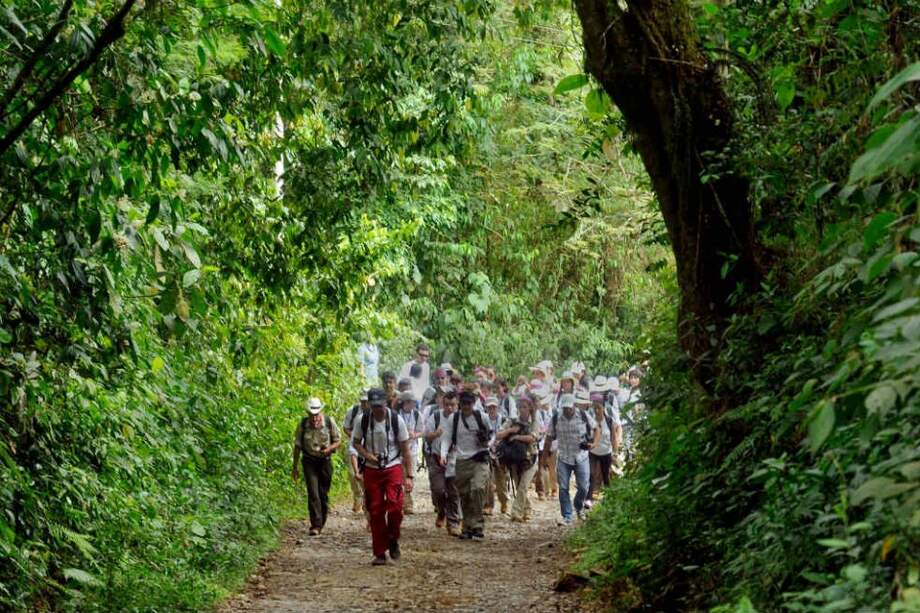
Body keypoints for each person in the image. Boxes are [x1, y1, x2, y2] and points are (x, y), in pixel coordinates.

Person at [352, 388, 414, 565]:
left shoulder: (396, 420)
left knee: (395, 507)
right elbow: (356, 443)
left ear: (386, 404)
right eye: (374, 406)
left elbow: (405, 449)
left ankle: (393, 538)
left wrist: (409, 475)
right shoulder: (362, 420)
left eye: (380, 406)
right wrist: (367, 455)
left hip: (392, 466)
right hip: (372, 469)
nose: (377, 410)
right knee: (376, 510)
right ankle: (379, 552)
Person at [440, 389, 491, 540]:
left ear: (473, 403)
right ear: (460, 404)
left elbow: (492, 434)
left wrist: (487, 443)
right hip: (461, 459)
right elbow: (447, 438)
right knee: (465, 495)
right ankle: (468, 526)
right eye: (464, 403)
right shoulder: (453, 419)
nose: (466, 406)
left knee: (478, 488)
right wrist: (443, 454)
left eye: (469, 403)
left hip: (479, 458)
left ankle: (478, 525)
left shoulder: (482, 417)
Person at [543, 392, 598, 525]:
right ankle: (567, 515)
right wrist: (544, 457)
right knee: (563, 488)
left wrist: (594, 443)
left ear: (574, 406)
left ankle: (578, 507)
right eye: (565, 408)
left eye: (569, 407)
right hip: (564, 457)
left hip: (581, 456)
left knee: (584, 487)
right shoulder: (556, 418)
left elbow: (596, 428)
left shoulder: (583, 415)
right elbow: (549, 437)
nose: (567, 410)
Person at [291, 398, 341, 536]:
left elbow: (338, 441)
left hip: (325, 461)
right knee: (313, 493)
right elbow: (297, 446)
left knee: (323, 493)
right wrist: (294, 467)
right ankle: (316, 524)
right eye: (311, 415)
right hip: (309, 461)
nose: (314, 418)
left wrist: (329, 449)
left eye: (316, 414)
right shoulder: (303, 424)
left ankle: (322, 520)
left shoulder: (329, 422)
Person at [495, 394, 539, 522]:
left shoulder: (534, 421)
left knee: (523, 485)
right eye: (520, 407)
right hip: (514, 458)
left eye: (525, 407)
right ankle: (527, 509)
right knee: (519, 485)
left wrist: (517, 437)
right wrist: (510, 431)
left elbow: (533, 438)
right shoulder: (512, 421)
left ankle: (516, 512)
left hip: (530, 458)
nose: (522, 409)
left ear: (530, 408)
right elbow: (498, 435)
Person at [424, 387, 461, 535]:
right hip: (436, 458)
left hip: (454, 459)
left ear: (457, 405)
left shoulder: (460, 419)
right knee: (438, 490)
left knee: (453, 492)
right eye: (447, 404)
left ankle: (453, 523)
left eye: (453, 405)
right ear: (442, 404)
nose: (450, 408)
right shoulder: (436, 417)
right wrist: (435, 434)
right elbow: (427, 436)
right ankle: (441, 511)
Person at [586, 392, 620, 507]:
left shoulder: (610, 421)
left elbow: (614, 438)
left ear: (603, 408)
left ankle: (609, 498)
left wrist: (615, 453)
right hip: (593, 452)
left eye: (599, 408)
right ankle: (588, 498)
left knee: (606, 476)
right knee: (590, 474)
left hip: (606, 452)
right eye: (594, 408)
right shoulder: (590, 421)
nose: (596, 411)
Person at [342, 390, 370, 513]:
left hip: (369, 448)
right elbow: (345, 427)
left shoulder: (374, 414)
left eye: (367, 401)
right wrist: (355, 436)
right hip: (355, 445)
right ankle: (357, 496)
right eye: (363, 401)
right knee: (353, 474)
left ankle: (366, 500)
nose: (365, 404)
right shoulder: (352, 411)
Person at [397, 391, 423, 515]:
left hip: (412, 450)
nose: (413, 404)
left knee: (410, 476)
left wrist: (415, 435)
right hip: (398, 450)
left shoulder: (417, 415)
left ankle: (407, 502)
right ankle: (405, 503)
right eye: (412, 402)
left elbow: (422, 431)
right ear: (405, 402)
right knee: (401, 475)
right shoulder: (396, 415)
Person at [483, 396, 509, 516]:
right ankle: (488, 505)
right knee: (487, 480)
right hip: (487, 453)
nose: (492, 409)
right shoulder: (483, 420)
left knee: (501, 481)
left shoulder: (504, 420)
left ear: (497, 407)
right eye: (489, 407)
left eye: (494, 407)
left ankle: (504, 502)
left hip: (500, 454)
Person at [534, 391, 557, 501]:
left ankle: (553, 489)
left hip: (551, 443)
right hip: (539, 443)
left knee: (551, 467)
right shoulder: (536, 413)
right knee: (540, 467)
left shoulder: (554, 412)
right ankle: (542, 491)